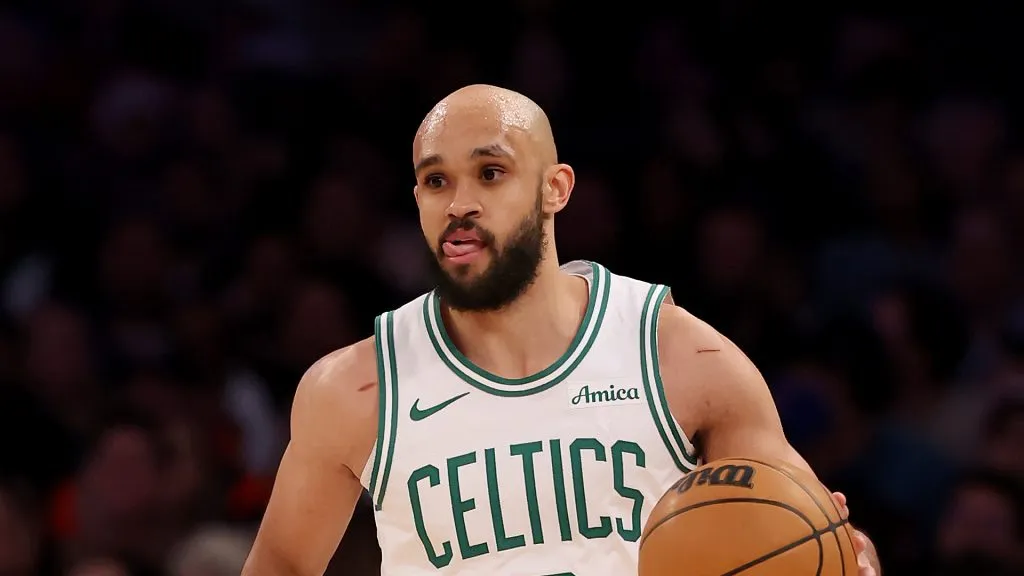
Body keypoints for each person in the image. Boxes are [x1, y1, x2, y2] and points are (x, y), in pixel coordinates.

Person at [241, 84, 882, 576]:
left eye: (490, 173)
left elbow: (803, 531)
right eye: (437, 181)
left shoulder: (682, 354)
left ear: (556, 188)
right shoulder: (355, 387)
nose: (459, 202)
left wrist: (849, 555)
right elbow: (280, 566)